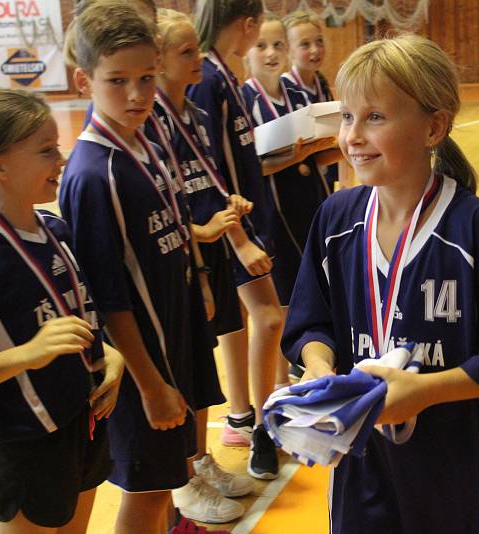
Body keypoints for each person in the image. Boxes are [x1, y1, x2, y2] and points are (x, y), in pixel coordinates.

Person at [282, 34, 479, 534]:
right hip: (364, 456)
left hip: (463, 464)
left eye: (375, 117)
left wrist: (422, 392)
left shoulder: (478, 231)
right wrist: (319, 368)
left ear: (434, 127)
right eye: (347, 116)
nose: (353, 135)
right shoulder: (335, 220)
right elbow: (310, 323)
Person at [59, 4, 219, 532]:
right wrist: (150, 385)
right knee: (145, 494)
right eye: (117, 81)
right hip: (141, 364)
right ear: (85, 80)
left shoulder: (145, 140)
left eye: (147, 78)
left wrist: (198, 281)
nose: (137, 94)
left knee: (164, 486)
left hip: (172, 339)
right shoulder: (92, 174)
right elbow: (108, 299)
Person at [0, 88, 124, 533]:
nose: (61, 160)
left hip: (81, 421)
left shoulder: (57, 231)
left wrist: (113, 358)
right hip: (21, 441)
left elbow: (84, 316)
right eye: (46, 150)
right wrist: (30, 353)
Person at [147, 7, 255, 523]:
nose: (197, 59)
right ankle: (184, 477)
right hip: (181, 257)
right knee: (184, 372)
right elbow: (159, 210)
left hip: (207, 254)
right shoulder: (150, 124)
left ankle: (199, 461)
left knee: (201, 369)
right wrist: (199, 234)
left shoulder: (196, 112)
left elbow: (199, 181)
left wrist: (227, 207)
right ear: (159, 60)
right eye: (186, 52)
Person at [189, 0, 283, 480]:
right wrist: (241, 237)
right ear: (248, 26)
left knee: (246, 322)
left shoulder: (223, 76)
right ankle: (263, 427)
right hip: (229, 226)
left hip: (241, 219)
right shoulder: (208, 80)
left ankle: (245, 415)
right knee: (268, 317)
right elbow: (208, 173)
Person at [242, 15, 338, 388]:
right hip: (272, 217)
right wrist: (294, 157)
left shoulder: (299, 97)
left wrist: (340, 148)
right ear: (246, 51)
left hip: (310, 206)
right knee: (280, 307)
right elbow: (252, 167)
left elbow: (315, 156)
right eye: (261, 46)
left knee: (311, 293)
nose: (271, 53)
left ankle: (308, 368)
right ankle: (279, 386)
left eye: (278, 45)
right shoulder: (246, 99)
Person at [281, 10, 341, 191]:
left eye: (319, 41)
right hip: (299, 184)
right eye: (305, 44)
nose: (315, 49)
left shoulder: (322, 84)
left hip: (326, 179)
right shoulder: (284, 89)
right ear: (288, 51)